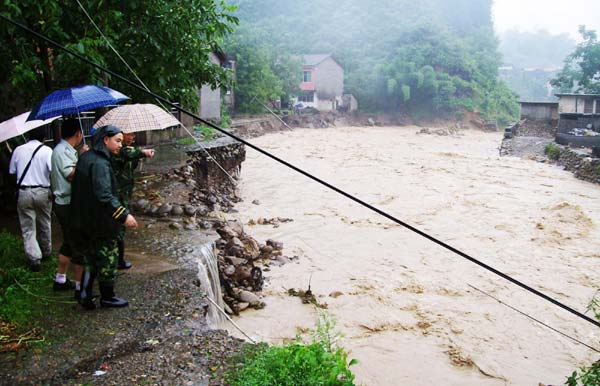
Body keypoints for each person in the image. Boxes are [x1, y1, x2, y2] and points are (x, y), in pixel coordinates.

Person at [70, 125, 138, 309]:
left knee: (90, 258)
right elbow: (104, 196)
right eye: (117, 141)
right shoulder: (100, 164)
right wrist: (124, 216)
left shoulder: (86, 157)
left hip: (85, 220)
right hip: (100, 222)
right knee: (108, 256)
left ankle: (84, 294)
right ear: (105, 140)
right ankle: (107, 296)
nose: (120, 145)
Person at [50, 119, 88, 292]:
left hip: (65, 202)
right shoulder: (61, 151)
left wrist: (79, 154)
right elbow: (70, 174)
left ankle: (60, 279)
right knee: (78, 244)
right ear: (78, 133)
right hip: (66, 203)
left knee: (68, 242)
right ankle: (81, 287)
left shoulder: (66, 150)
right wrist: (84, 158)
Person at [8, 127, 53, 271]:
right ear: (44, 138)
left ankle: (34, 258)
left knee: (28, 227)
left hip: (24, 192)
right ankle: (46, 251)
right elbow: (52, 170)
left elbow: (12, 171)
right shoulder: (47, 151)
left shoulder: (18, 150)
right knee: (44, 221)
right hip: (42, 190)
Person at [111, 132, 155, 269]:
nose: (131, 138)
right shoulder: (119, 150)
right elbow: (128, 154)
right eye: (128, 135)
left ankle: (118, 258)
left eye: (133, 136)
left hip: (125, 192)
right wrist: (143, 152)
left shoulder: (128, 149)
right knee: (119, 226)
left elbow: (131, 160)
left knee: (119, 226)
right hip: (117, 193)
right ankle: (118, 260)